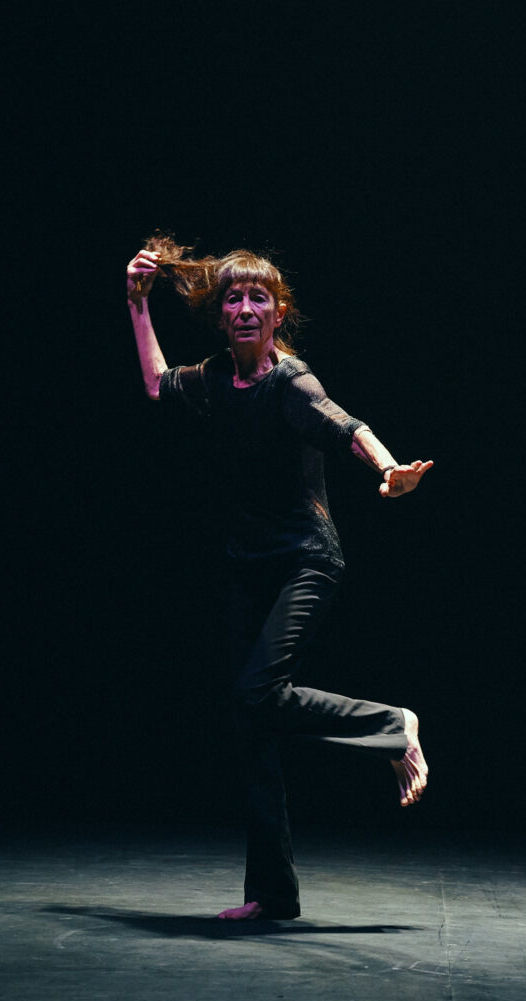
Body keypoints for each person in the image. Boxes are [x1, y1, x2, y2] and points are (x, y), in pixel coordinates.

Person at [126, 232, 433, 921]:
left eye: (256, 297)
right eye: (232, 297)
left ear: (276, 312)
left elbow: (343, 425)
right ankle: (273, 893)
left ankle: (391, 724)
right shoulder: (212, 378)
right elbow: (154, 383)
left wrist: (387, 469)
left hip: (305, 558)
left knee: (258, 690)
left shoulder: (289, 382)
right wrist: (136, 303)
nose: (242, 307)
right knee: (249, 719)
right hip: (247, 565)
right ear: (221, 314)